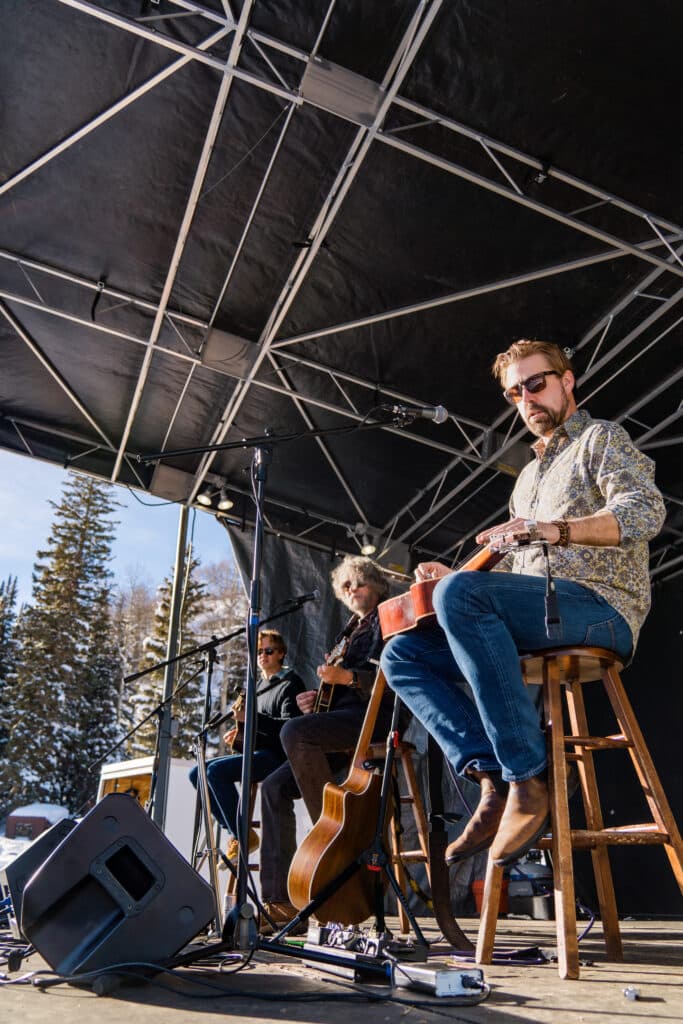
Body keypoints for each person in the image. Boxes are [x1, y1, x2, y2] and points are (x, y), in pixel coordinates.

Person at [380, 339, 665, 869]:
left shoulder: (600, 439)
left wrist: (554, 530)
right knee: (403, 655)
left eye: (536, 384)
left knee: (459, 597)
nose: (527, 399)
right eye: (515, 392)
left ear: (567, 380)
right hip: (543, 612)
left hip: (602, 609)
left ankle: (526, 780)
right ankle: (493, 776)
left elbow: (645, 511)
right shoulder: (529, 480)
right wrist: (457, 578)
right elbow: (522, 573)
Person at [258, 555, 395, 933]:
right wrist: (316, 698)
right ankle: (279, 901)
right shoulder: (347, 631)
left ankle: (334, 837)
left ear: (377, 584)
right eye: (346, 587)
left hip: (373, 721)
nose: (352, 591)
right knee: (272, 786)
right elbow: (336, 689)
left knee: (293, 733)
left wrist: (349, 678)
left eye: (359, 583)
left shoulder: (389, 618)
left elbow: (394, 675)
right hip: (341, 723)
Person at [189, 629, 305, 861]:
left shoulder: (290, 683)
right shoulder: (257, 686)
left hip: (279, 757)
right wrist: (240, 736)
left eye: (269, 651)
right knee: (197, 773)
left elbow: (288, 729)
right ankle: (237, 832)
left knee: (215, 772)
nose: (263, 655)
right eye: (259, 651)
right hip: (259, 752)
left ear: (281, 653)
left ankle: (242, 835)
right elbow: (257, 730)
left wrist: (251, 719)